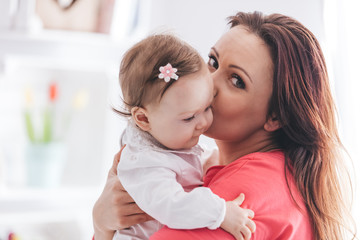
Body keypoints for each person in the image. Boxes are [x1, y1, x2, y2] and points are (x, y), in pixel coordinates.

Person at [93, 11, 356, 240]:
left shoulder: (246, 189)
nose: (208, 82)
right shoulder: (222, 167)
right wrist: (103, 224)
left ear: (276, 117)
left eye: (237, 81)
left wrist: (101, 230)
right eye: (213, 62)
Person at [110, 34, 255, 240]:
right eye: (189, 118)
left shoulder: (166, 138)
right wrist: (220, 213)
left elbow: (184, 161)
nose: (203, 122)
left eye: (207, 108)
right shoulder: (144, 163)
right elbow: (173, 205)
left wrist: (210, 160)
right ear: (143, 118)